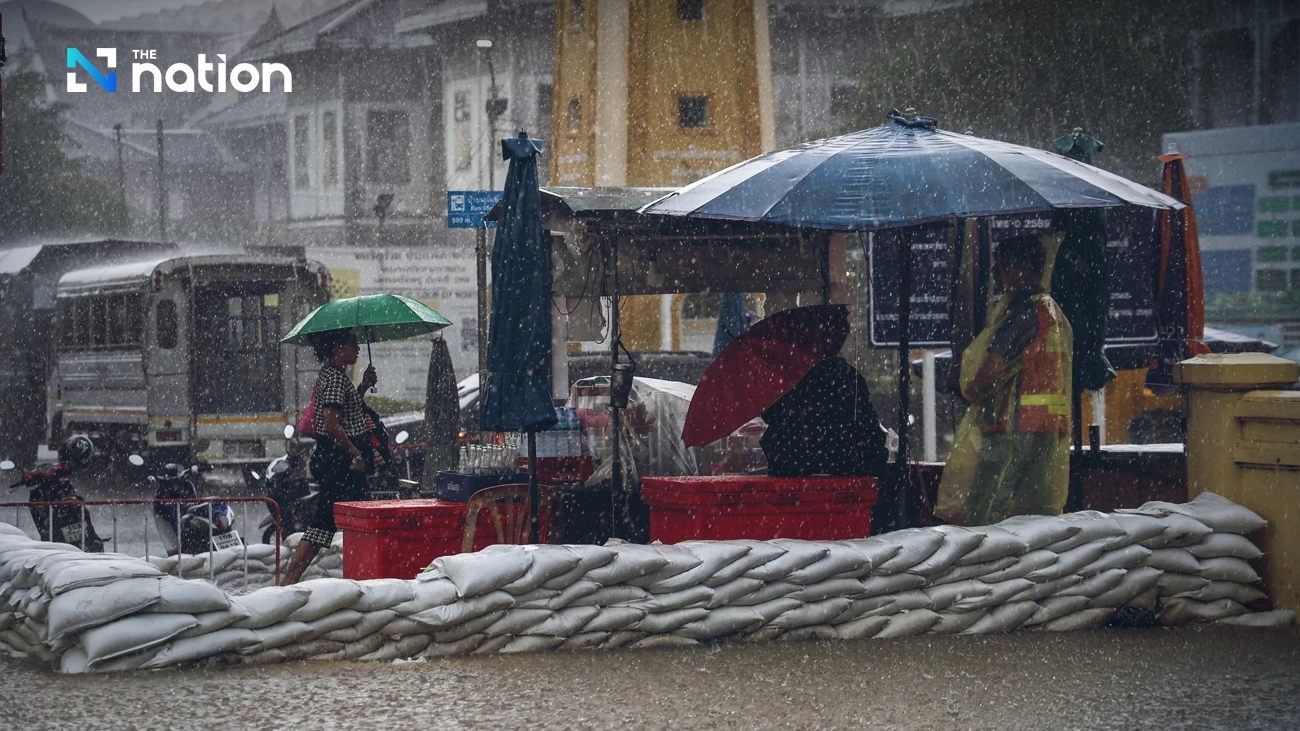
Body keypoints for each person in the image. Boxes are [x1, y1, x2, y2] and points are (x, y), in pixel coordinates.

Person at [940, 234, 1073, 525]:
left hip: (1013, 428)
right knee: (1031, 510)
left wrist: (968, 387)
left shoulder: (1022, 314)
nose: (994, 272)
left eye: (1000, 265)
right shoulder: (1052, 311)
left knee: (989, 513)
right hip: (1045, 428)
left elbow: (990, 371)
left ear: (1021, 267)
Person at [281, 330, 378, 585]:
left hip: (339, 463)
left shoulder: (335, 376)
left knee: (345, 520)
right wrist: (355, 453)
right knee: (334, 523)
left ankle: (292, 579)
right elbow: (332, 424)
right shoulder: (334, 378)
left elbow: (346, 409)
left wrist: (364, 387)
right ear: (338, 349)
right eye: (352, 344)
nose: (357, 349)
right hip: (340, 464)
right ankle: (290, 580)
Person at [760, 332, 889, 478]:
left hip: (791, 470)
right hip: (844, 470)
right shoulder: (848, 377)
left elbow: (770, 415)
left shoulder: (787, 377)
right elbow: (868, 429)